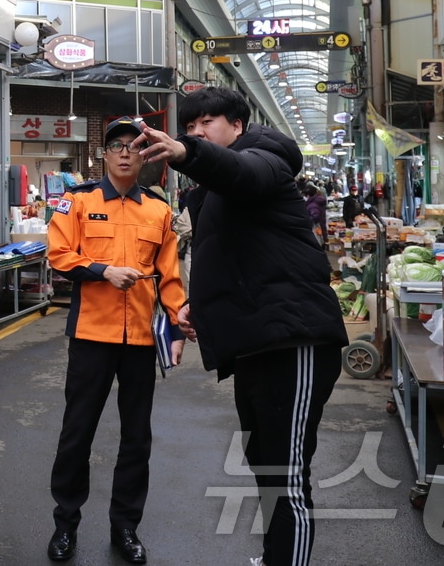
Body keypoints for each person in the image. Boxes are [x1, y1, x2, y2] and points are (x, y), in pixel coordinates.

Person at [132, 88, 346, 566]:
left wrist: (188, 152)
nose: (197, 131)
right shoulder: (210, 194)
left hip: (296, 340)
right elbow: (230, 262)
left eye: (208, 122)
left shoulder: (267, 161)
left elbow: (240, 173)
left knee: (286, 473)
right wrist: (197, 309)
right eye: (190, 126)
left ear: (238, 126)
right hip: (255, 344)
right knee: (265, 464)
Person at [43, 116, 186, 564]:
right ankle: (65, 525)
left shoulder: (158, 211)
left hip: (141, 339)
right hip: (91, 335)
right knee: (76, 435)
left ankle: (125, 527)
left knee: (136, 439)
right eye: (116, 145)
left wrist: (177, 326)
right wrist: (103, 270)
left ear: (144, 156)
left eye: (134, 146)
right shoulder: (76, 201)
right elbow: (58, 254)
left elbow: (169, 276)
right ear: (103, 155)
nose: (125, 152)